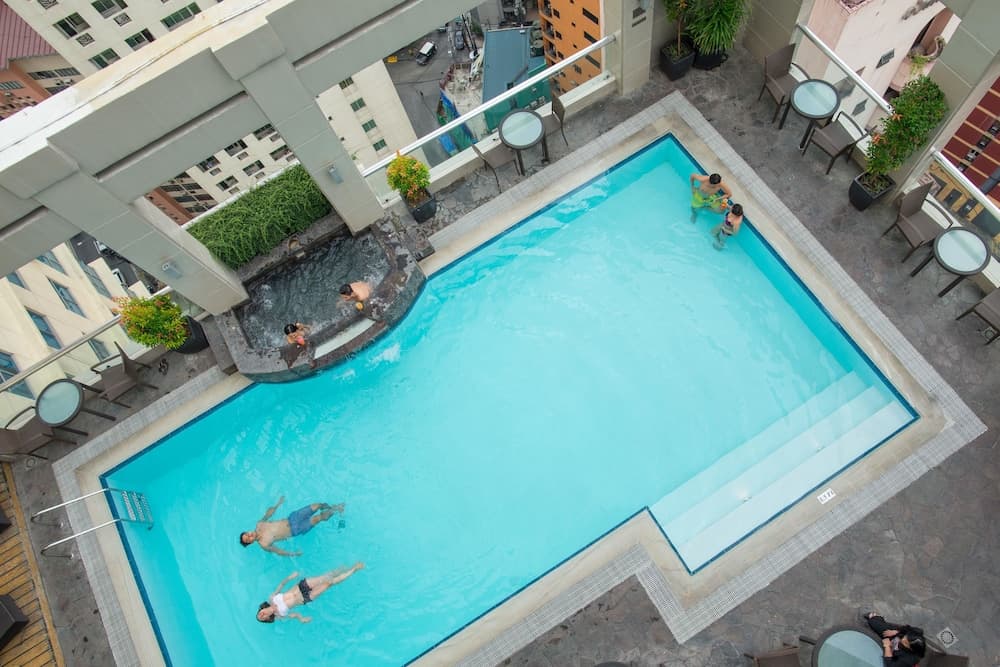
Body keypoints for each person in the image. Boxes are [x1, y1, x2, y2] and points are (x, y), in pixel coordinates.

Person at [257, 562, 364, 624]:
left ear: (261, 609)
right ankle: (354, 569)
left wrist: (290, 577)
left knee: (326, 577)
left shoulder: (272, 598)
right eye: (262, 618)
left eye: (259, 614)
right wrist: (301, 618)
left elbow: (281, 585)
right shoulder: (279, 616)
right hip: (306, 597)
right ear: (267, 619)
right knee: (330, 583)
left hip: (301, 586)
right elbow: (294, 615)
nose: (261, 615)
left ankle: (347, 566)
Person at [239, 496, 343, 557]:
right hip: (295, 530)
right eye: (248, 539)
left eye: (247, 534)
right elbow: (278, 551)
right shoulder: (264, 544)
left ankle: (331, 507)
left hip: (293, 518)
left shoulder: (259, 524)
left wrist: (278, 504)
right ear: (251, 542)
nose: (249, 535)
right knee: (318, 518)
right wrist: (293, 554)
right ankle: (337, 509)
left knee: (317, 505)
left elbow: (269, 514)